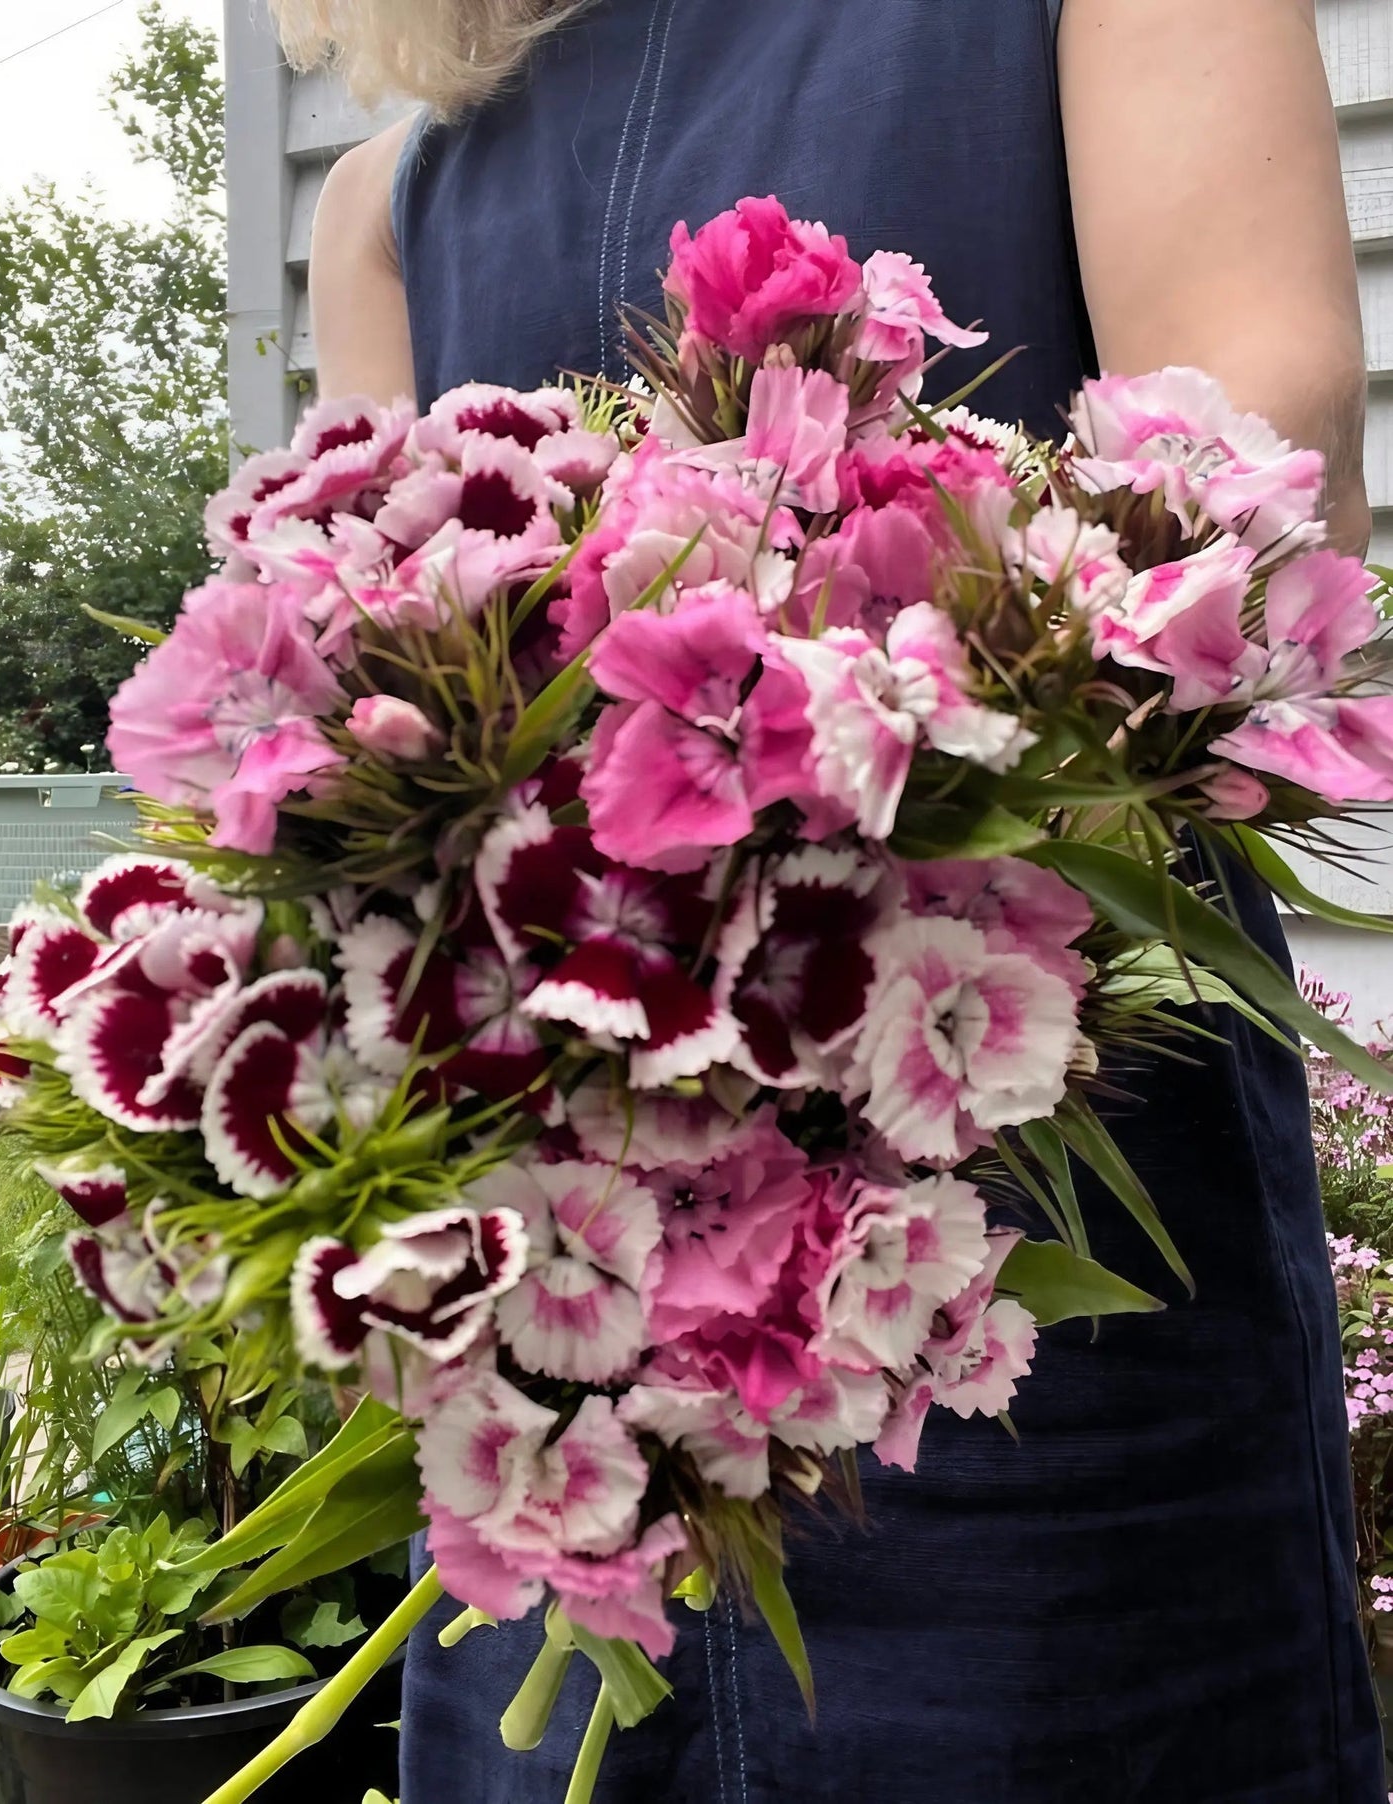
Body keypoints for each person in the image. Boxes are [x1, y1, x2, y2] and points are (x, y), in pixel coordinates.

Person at [283, 2, 1382, 1798]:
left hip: (1024, 1262)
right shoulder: (396, 192)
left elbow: (1258, 477)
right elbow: (372, 693)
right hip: (570, 1321)